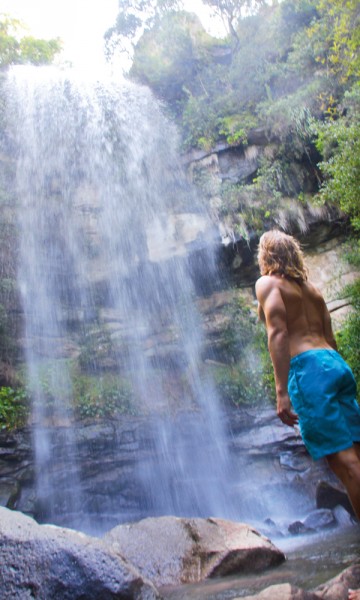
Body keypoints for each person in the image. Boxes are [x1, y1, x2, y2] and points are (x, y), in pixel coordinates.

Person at [255, 230, 360, 523]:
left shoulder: (267, 284)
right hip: (334, 364)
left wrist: (282, 391)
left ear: (266, 256)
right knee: (356, 455)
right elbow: (330, 338)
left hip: (308, 368)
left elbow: (278, 332)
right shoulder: (312, 291)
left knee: (346, 464)